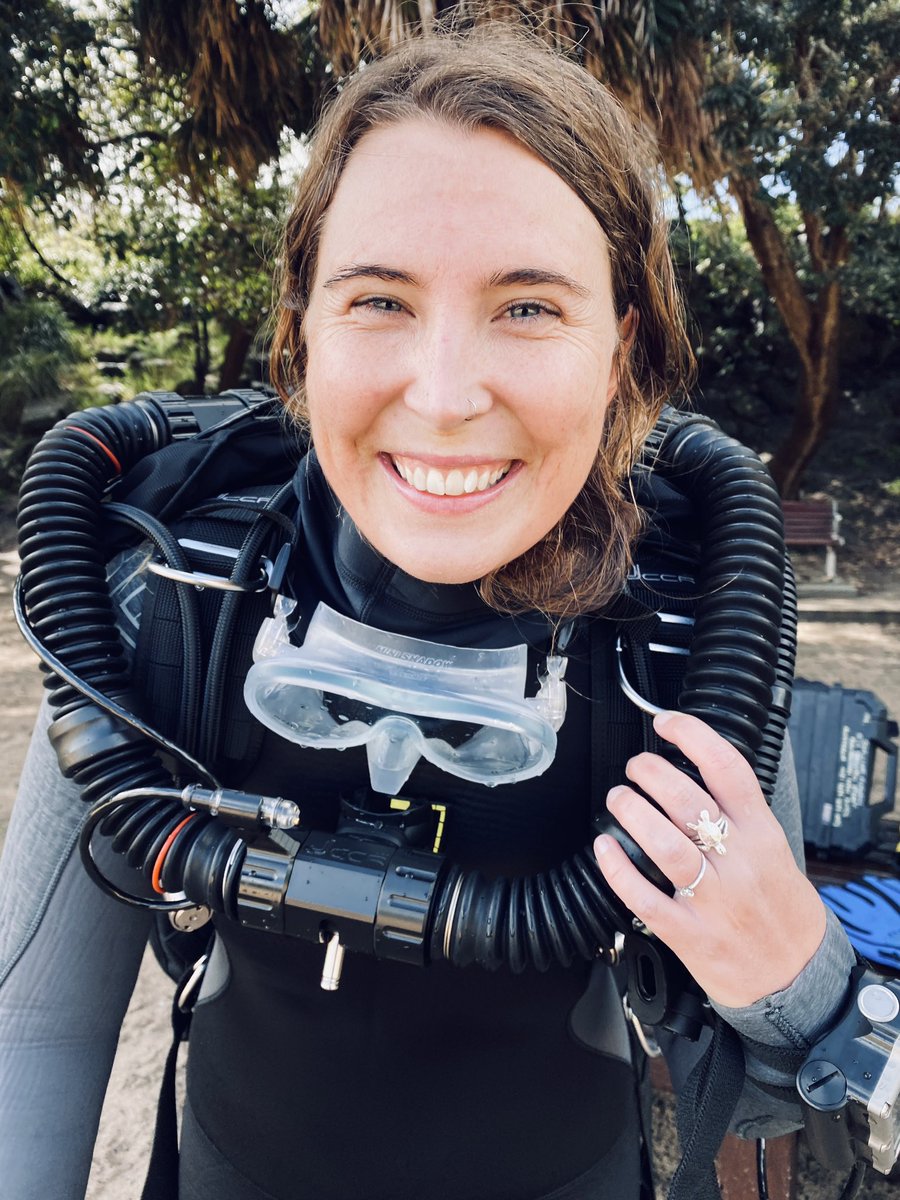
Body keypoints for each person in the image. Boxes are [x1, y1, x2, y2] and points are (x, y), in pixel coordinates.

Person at [0, 24, 856, 1200]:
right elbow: (32, 1033)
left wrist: (798, 979)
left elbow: (772, 1086)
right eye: (380, 299)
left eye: (529, 308)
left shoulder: (689, 644)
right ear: (302, 330)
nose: (445, 397)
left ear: (624, 352)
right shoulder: (171, 604)